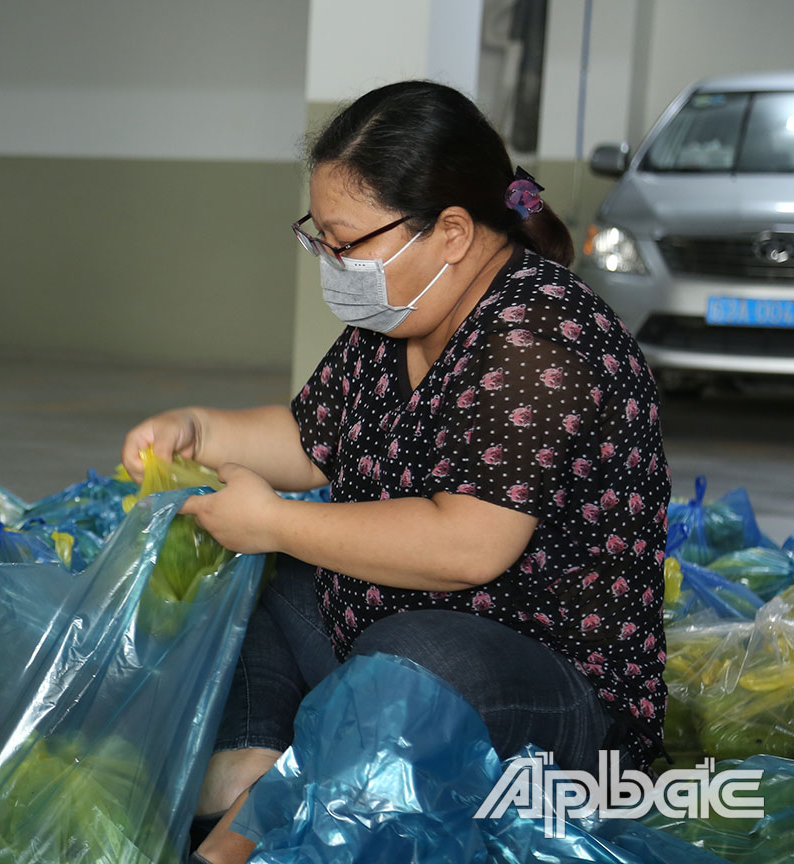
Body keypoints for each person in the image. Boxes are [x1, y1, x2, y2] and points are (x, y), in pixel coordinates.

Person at [120, 81, 670, 864]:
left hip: (542, 690)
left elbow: (468, 548)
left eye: (349, 243)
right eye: (322, 238)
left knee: (416, 658)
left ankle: (245, 832)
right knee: (258, 581)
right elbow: (311, 438)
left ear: (449, 231)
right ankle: (259, 762)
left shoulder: (538, 340)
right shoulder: (403, 316)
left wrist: (276, 517)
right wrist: (199, 431)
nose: (333, 263)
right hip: (375, 639)